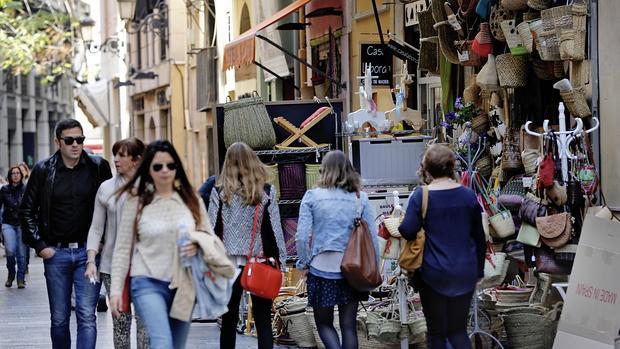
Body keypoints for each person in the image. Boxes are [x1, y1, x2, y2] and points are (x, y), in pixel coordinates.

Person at [20, 118, 112, 349]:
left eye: (80, 140)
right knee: (59, 318)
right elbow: (27, 210)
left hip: (89, 254)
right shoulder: (43, 170)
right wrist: (40, 246)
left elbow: (112, 206)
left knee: (86, 315)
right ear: (57, 142)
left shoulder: (98, 166)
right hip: (56, 254)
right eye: (69, 140)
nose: (75, 145)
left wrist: (101, 243)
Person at [109, 140, 210, 348]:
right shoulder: (136, 201)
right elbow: (122, 248)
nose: (165, 171)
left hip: (184, 282)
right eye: (158, 166)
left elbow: (208, 236)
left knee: (176, 345)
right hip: (147, 280)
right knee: (162, 342)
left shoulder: (192, 199)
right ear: (149, 170)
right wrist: (116, 290)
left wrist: (198, 244)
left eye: (170, 165)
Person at [398, 144, 486, 349]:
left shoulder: (422, 196)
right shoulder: (467, 196)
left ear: (426, 169)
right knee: (458, 332)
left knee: (436, 334)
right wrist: (479, 271)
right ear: (451, 166)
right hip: (464, 272)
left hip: (433, 272)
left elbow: (408, 230)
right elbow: (479, 237)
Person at [295, 150, 379, 349]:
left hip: (321, 268)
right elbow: (372, 238)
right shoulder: (361, 198)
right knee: (348, 325)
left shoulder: (312, 196)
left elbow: (301, 236)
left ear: (323, 171)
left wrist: (304, 262)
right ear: (349, 171)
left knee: (324, 324)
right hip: (352, 269)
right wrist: (373, 265)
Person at [209, 142, 287, 349]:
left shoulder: (219, 192)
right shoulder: (266, 192)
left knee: (228, 319)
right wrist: (283, 263)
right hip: (259, 262)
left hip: (228, 263)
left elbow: (211, 229)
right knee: (263, 320)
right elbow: (276, 230)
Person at [84, 137, 149, 349]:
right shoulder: (106, 188)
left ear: (137, 160)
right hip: (113, 267)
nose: (116, 160)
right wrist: (91, 260)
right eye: (115, 155)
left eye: (122, 155)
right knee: (121, 323)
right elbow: (96, 228)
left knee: (146, 323)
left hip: (146, 266)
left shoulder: (151, 187)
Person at [1, 165, 28, 288]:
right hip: (8, 223)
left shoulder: (26, 189)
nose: (16, 175)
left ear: (21, 176)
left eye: (18, 173)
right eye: (13, 173)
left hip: (22, 224)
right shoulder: (4, 190)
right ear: (10, 176)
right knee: (10, 250)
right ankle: (11, 274)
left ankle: (20, 278)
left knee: (21, 253)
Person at [17, 163, 31, 273]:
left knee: (25, 245)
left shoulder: (30, 182)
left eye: (22, 170)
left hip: (26, 219)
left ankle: (25, 264)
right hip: (15, 220)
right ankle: (23, 265)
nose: (21, 173)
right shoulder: (13, 185)